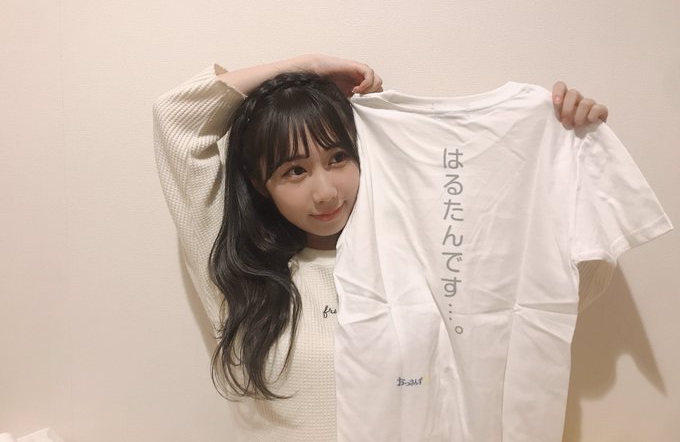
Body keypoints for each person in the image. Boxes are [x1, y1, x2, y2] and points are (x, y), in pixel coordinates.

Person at [153, 54, 609, 441]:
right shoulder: (239, 276)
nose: (325, 193)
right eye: (295, 171)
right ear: (260, 183)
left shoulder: (426, 258)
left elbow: (566, 286)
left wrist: (569, 143)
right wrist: (307, 68)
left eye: (338, 158)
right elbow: (176, 117)